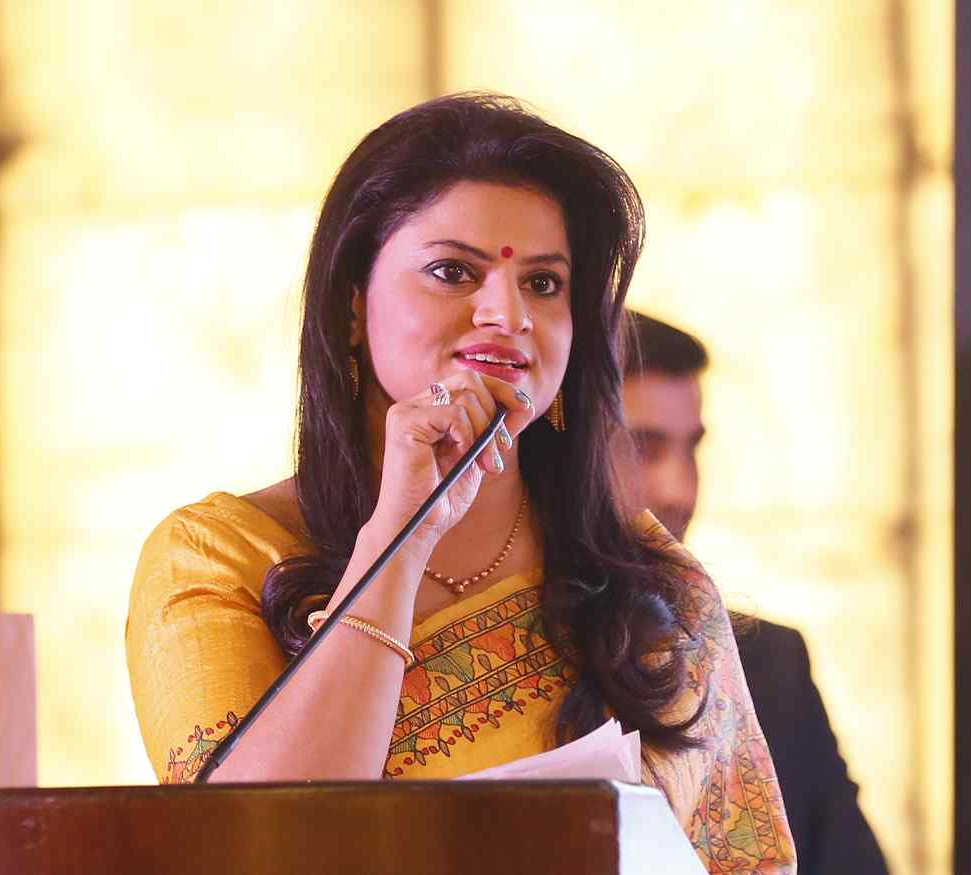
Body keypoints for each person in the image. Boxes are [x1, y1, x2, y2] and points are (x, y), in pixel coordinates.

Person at [124, 93, 795, 873]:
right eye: (453, 272)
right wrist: (401, 535)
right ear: (351, 306)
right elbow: (252, 850)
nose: (506, 312)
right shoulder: (217, 557)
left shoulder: (652, 589)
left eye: (543, 283)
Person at [619, 311, 889, 875]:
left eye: (692, 449)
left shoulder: (769, 662)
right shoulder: (498, 657)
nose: (679, 490)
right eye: (644, 448)